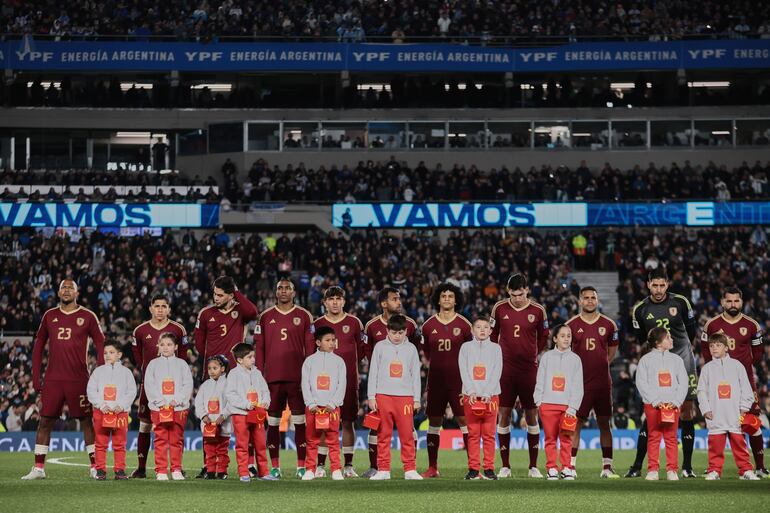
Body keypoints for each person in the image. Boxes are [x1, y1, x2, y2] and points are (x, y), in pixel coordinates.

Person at [23, 279, 106, 480]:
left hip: (79, 379)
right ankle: (39, 468)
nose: (67, 290)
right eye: (63, 288)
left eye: (71, 288)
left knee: (87, 421)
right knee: (45, 421)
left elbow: (101, 343)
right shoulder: (49, 315)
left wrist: (101, 374)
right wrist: (36, 376)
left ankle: (95, 466)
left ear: (77, 293)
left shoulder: (87, 316)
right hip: (53, 379)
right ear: (59, 293)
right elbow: (38, 345)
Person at [627, 267, 698, 478]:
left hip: (683, 359)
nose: (658, 290)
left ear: (667, 284)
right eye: (654, 285)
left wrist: (678, 353)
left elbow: (691, 332)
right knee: (652, 411)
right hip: (656, 361)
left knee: (686, 411)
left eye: (662, 285)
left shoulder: (681, 302)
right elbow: (642, 340)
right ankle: (639, 465)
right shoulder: (640, 309)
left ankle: (686, 466)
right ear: (648, 284)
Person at [194, 276, 258, 478]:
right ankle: (208, 465)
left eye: (221, 295)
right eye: (214, 294)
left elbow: (253, 312)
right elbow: (198, 344)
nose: (216, 298)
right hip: (212, 375)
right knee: (210, 420)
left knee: (241, 419)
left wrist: (236, 291)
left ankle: (247, 465)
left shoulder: (240, 312)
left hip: (235, 375)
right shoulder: (205, 314)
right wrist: (213, 366)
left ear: (231, 295)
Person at [702, 287, 768, 478]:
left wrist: (741, 368)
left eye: (736, 301)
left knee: (751, 423)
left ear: (741, 302)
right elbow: (706, 351)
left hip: (744, 380)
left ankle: (759, 467)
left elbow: (757, 354)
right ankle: (715, 467)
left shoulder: (752, 325)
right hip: (719, 382)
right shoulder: (712, 324)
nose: (733, 305)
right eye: (729, 301)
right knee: (719, 423)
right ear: (722, 302)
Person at [254, 278, 315, 479]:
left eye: (288, 288)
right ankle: (275, 467)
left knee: (299, 422)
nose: (283, 291)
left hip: (297, 379)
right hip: (272, 378)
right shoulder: (265, 317)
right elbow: (260, 348)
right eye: (280, 287)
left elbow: (310, 349)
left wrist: (308, 376)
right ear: (275, 291)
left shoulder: (304, 316)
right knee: (272, 423)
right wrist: (259, 375)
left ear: (294, 292)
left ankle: (301, 466)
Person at [490, 274, 549, 478]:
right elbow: (492, 334)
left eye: (521, 294)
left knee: (532, 415)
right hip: (505, 369)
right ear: (508, 291)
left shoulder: (538, 310)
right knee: (504, 414)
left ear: (527, 290)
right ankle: (505, 466)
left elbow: (544, 336)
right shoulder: (499, 308)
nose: (517, 298)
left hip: (528, 370)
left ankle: (533, 466)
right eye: (513, 294)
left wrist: (533, 353)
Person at [362, 287, 420, 478]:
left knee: (406, 435)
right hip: (383, 395)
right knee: (383, 435)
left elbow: (415, 376)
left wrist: (417, 399)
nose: (397, 335)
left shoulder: (411, 349)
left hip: (405, 397)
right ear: (387, 330)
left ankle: (410, 469)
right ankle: (384, 469)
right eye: (394, 332)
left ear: (406, 331)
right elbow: (374, 372)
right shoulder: (379, 346)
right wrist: (371, 396)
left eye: (401, 332)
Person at [130, 294, 188, 478]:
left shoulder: (178, 329)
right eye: (157, 306)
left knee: (176, 428)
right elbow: (138, 357)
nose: (160, 309)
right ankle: (141, 467)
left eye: (164, 306)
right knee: (145, 425)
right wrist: (148, 374)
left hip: (174, 389)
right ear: (151, 308)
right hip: (151, 386)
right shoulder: (140, 330)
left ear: (169, 309)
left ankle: (177, 467)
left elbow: (184, 356)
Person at [565, 287, 620, 478]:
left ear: (597, 300)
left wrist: (601, 366)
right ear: (580, 301)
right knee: (575, 424)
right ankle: (570, 466)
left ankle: (607, 467)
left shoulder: (609, 324)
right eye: (586, 298)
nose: (589, 301)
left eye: (593, 298)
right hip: (579, 384)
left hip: (603, 383)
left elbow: (612, 352)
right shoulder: (570, 325)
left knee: (605, 424)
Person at [312, 286, 366, 478]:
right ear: (324, 302)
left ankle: (348, 465)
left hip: (349, 381)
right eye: (331, 299)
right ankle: (320, 465)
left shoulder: (354, 322)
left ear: (344, 301)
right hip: (323, 385)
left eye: (338, 298)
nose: (335, 302)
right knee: (324, 423)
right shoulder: (317, 324)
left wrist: (347, 369)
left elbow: (361, 352)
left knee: (348, 422)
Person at [420, 282, 472, 478]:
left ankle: (473, 466)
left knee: (464, 421)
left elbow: (471, 353)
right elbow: (426, 354)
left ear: (456, 299)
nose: (447, 299)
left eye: (450, 296)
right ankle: (432, 467)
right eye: (444, 296)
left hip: (459, 382)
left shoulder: (465, 325)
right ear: (438, 300)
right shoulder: (428, 325)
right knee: (434, 422)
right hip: (436, 381)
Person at [697, 333, 760, 481]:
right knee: (715, 446)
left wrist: (744, 407)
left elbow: (746, 388)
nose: (714, 348)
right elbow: (701, 391)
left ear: (726, 348)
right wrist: (705, 409)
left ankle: (746, 470)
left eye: (718, 345)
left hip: (735, 413)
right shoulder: (707, 368)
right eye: (711, 346)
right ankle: (714, 470)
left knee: (739, 443)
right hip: (716, 413)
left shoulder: (737, 366)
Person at [635, 327, 689, 481]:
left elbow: (683, 382)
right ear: (658, 343)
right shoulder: (645, 360)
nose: (672, 340)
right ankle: (653, 470)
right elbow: (641, 383)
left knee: (672, 437)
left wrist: (677, 401)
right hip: (653, 405)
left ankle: (672, 469)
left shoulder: (677, 360)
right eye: (668, 337)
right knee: (654, 436)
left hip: (673, 405)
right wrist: (655, 401)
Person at [534, 325, 584, 480]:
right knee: (550, 438)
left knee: (567, 438)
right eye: (562, 336)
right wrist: (538, 401)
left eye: (569, 336)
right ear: (555, 338)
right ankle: (551, 468)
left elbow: (578, 385)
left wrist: (573, 407)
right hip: (547, 404)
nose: (566, 338)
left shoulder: (576, 359)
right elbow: (540, 379)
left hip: (567, 407)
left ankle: (567, 467)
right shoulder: (547, 357)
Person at [144, 332, 193, 481]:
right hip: (159, 408)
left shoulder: (182, 364)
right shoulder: (152, 364)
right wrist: (160, 402)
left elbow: (187, 384)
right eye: (163, 344)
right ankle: (161, 470)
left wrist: (177, 400)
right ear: (158, 346)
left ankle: (176, 469)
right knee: (160, 439)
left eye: (169, 344)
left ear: (176, 347)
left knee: (177, 439)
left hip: (178, 408)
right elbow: (149, 385)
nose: (165, 347)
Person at [458, 316, 502, 480]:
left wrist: (487, 393)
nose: (482, 330)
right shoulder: (465, 348)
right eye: (478, 327)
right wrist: (471, 391)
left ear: (491, 330)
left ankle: (489, 468)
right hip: (471, 397)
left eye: (486, 327)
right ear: (472, 330)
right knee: (473, 434)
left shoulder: (496, 348)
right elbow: (464, 371)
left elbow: (497, 372)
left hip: (491, 397)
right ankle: (474, 469)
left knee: (489, 434)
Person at [86, 340, 137, 480]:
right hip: (101, 412)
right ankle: (100, 470)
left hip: (120, 413)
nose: (107, 355)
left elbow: (132, 391)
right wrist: (101, 405)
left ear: (119, 354)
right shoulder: (98, 371)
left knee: (120, 443)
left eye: (111, 352)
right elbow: (91, 391)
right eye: (105, 353)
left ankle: (120, 470)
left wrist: (121, 405)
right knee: (100, 443)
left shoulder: (126, 372)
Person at [301, 326, 346, 481]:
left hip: (331, 408)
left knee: (333, 440)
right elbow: (305, 384)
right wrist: (311, 403)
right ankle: (310, 469)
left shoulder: (339, 362)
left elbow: (342, 384)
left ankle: (336, 470)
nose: (332, 343)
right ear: (318, 342)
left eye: (333, 340)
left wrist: (333, 403)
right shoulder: (309, 361)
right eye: (328, 340)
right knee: (312, 440)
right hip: (314, 408)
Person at [226, 342, 274, 482]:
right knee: (242, 445)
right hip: (241, 414)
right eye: (249, 357)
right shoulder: (234, 374)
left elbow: (265, 390)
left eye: (253, 356)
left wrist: (265, 402)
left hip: (257, 413)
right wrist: (246, 405)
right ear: (240, 360)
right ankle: (243, 473)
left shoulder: (257, 373)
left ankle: (264, 472)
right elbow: (230, 394)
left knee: (260, 444)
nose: (253, 359)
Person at [194, 354, 231, 480]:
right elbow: (198, 402)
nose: (211, 371)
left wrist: (223, 415)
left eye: (214, 368)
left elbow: (231, 402)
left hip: (223, 425)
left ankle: (222, 471)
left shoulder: (228, 384)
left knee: (222, 450)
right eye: (209, 368)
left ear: (222, 369)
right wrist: (203, 415)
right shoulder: (205, 385)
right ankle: (210, 471)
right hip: (208, 426)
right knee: (209, 450)